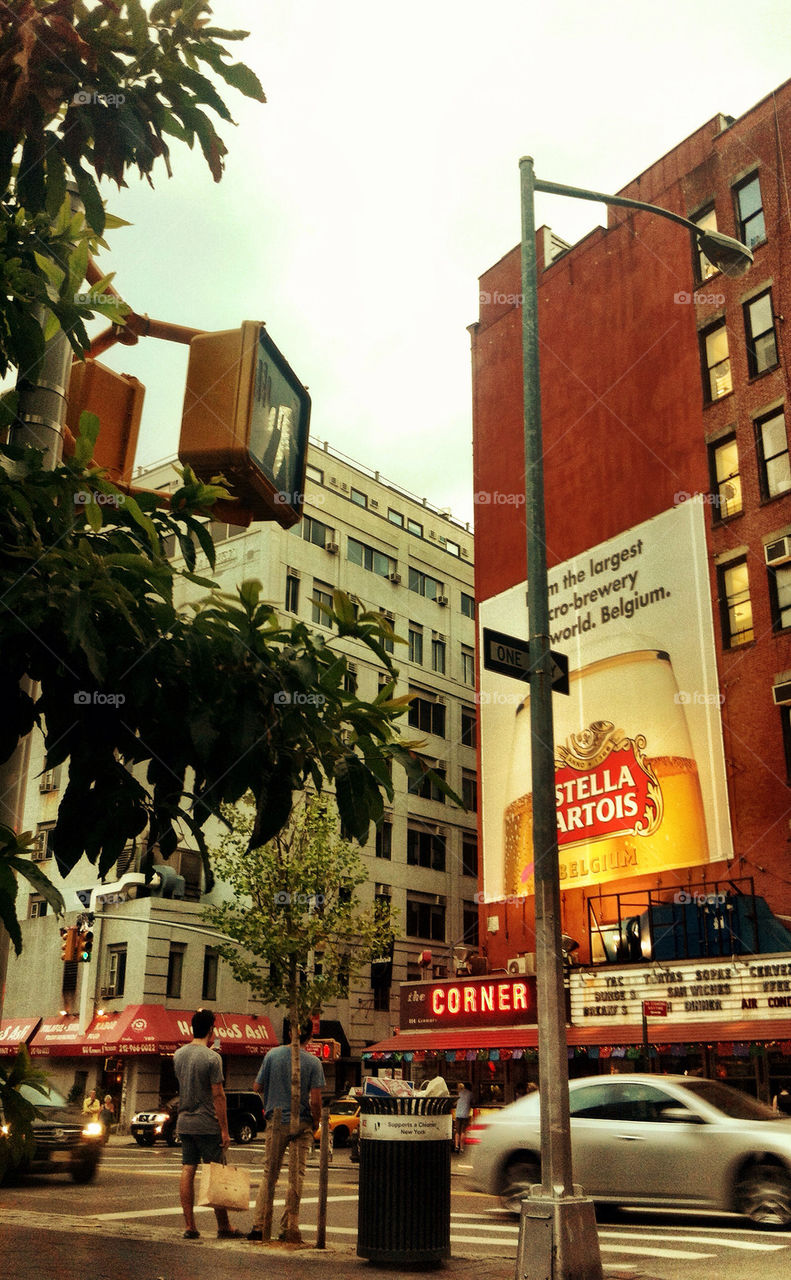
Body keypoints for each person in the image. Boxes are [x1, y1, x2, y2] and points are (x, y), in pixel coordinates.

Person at [247, 1020, 324, 1244]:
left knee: (269, 1174)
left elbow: (256, 1087)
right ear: (310, 1037)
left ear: (288, 1032)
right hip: (302, 1123)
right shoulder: (313, 1063)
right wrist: (316, 1122)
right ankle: (289, 1227)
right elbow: (316, 1100)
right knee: (296, 1176)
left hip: (276, 1119)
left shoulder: (272, 1056)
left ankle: (259, 1225)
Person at [173, 1008, 241, 1241]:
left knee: (187, 1169)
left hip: (184, 1122)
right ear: (211, 1030)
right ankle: (224, 1226)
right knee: (215, 1172)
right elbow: (218, 1095)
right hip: (207, 1122)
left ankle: (190, 1226)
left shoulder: (178, 1055)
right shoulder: (213, 1058)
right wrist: (224, 1129)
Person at [453, 1082, 473, 1153]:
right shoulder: (470, 1094)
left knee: (457, 1131)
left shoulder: (460, 1093)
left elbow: (455, 1102)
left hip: (458, 1114)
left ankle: (456, 1146)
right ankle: (461, 1148)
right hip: (465, 1114)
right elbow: (473, 1102)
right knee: (463, 1131)